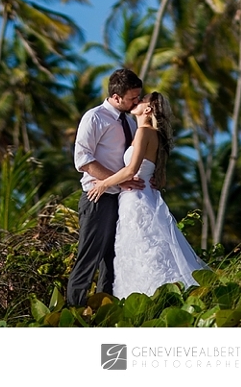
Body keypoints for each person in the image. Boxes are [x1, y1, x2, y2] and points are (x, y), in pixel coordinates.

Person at [86, 91, 207, 298]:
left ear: (148, 109)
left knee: (140, 250)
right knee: (148, 248)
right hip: (145, 196)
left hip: (136, 200)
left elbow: (131, 170)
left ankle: (144, 295)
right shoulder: (153, 134)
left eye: (141, 100)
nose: (137, 101)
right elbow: (160, 179)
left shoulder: (143, 132)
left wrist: (103, 184)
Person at [66, 67, 146, 308]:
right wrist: (118, 180)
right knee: (88, 258)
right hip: (97, 197)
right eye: (132, 97)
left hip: (121, 200)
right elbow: (83, 160)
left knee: (113, 260)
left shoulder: (130, 123)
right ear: (116, 96)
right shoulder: (95, 117)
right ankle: (74, 311)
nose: (137, 101)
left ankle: (105, 311)